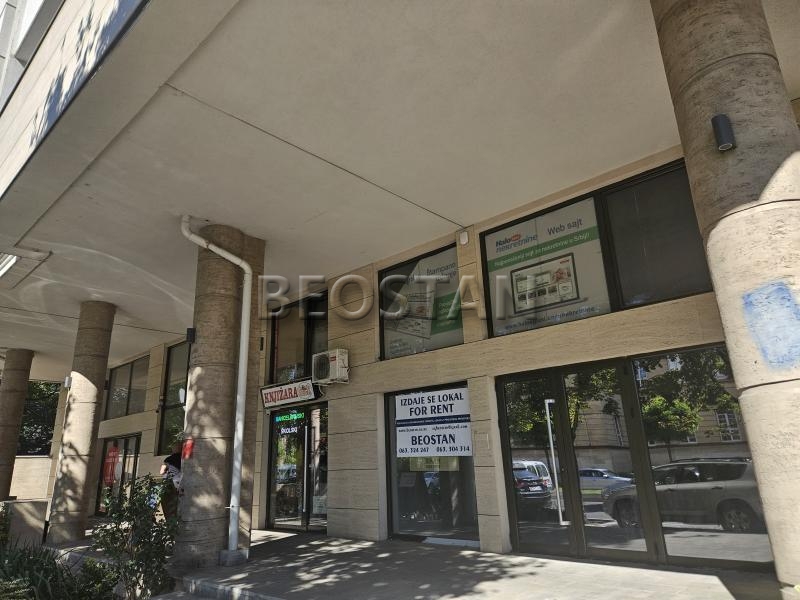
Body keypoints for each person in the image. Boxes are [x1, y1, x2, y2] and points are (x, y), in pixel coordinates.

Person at [159, 440, 182, 519]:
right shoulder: (184, 458)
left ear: (173, 449)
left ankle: (170, 521)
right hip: (179, 482)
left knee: (167, 502)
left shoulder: (168, 459)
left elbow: (161, 472)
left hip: (169, 482)